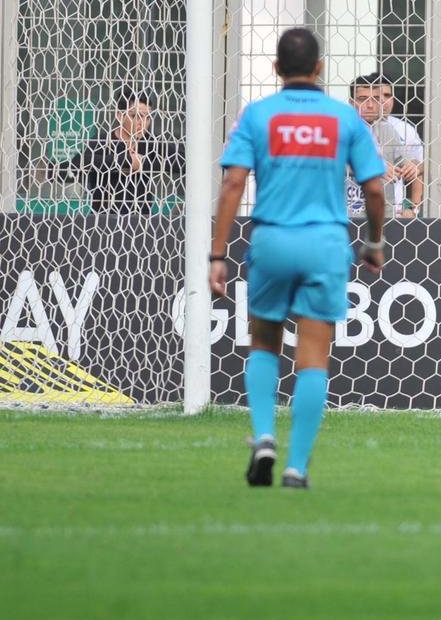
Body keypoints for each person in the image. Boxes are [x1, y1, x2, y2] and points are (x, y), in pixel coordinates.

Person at [208, 28, 387, 489]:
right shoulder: (343, 118)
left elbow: (232, 184)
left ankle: (264, 435)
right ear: (320, 68)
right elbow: (373, 187)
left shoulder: (258, 115)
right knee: (313, 354)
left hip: (272, 239)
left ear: (275, 69)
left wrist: (217, 253)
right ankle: (296, 467)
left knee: (264, 339)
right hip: (325, 243)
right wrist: (373, 240)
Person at [53, 86, 183, 213]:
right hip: (103, 221)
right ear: (119, 116)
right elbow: (80, 162)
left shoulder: (151, 142)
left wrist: (144, 164)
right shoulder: (103, 141)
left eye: (147, 117)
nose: (142, 123)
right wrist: (126, 161)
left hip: (142, 224)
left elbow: (183, 162)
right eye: (135, 116)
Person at [347, 72, 424, 218]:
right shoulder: (341, 128)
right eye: (363, 99)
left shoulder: (387, 130)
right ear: (352, 102)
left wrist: (412, 167)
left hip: (384, 216)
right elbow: (330, 163)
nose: (370, 105)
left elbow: (408, 161)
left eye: (375, 99)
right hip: (348, 215)